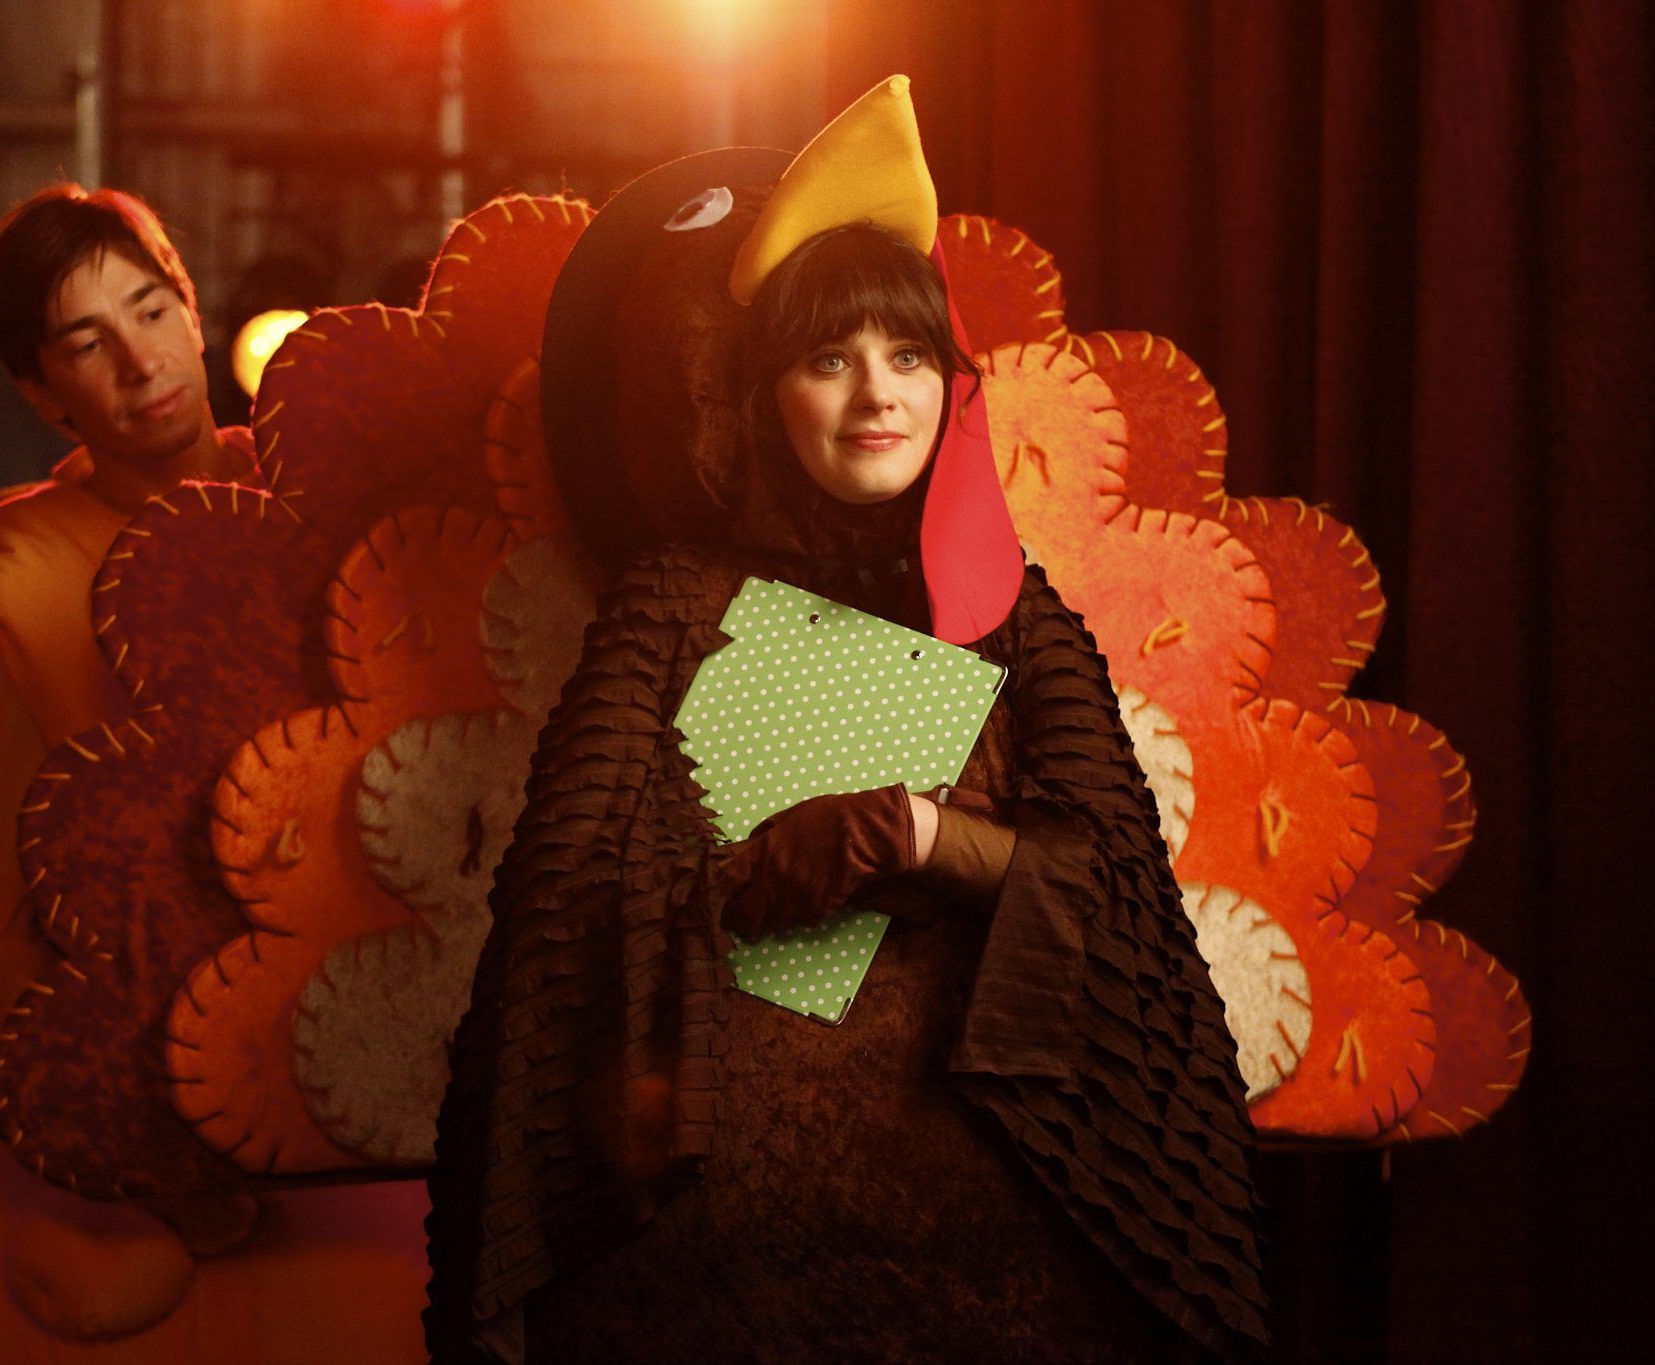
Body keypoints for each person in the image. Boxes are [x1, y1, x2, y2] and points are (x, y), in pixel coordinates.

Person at [423, 80, 1270, 1363]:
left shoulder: (1017, 617)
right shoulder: (670, 604)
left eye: (906, 356)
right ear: (761, 394)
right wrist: (740, 878)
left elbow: (1121, 906)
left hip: (997, 1220)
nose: (876, 394)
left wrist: (918, 837)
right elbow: (561, 916)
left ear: (947, 383)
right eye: (828, 361)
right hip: (702, 1244)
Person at [0, 185, 428, 1362]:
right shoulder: (14, 595)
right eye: (86, 342)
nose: (139, 361)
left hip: (345, 1006)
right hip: (119, 1022)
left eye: (151, 311)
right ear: (39, 389)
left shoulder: (320, 498)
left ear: (193, 308)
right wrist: (114, 1116)